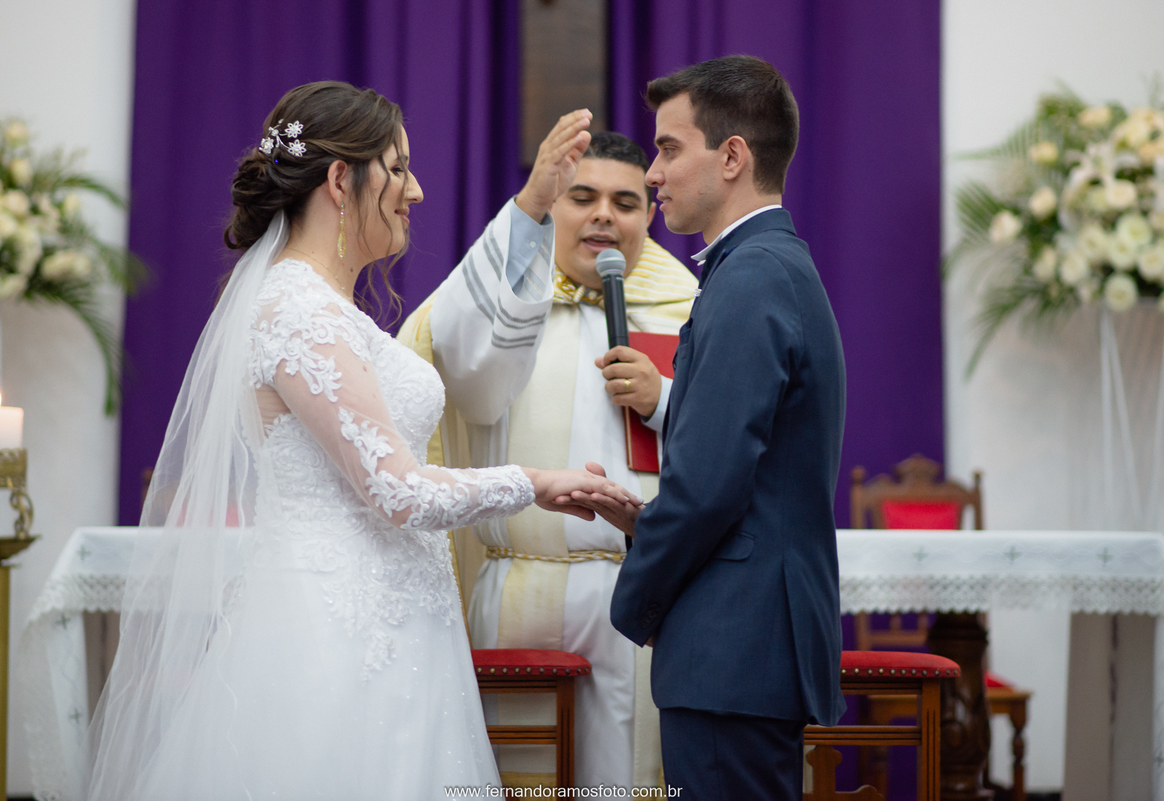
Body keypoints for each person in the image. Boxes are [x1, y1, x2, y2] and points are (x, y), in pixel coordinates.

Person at [82, 81, 638, 800]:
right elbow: (399, 489)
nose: (418, 191)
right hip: (333, 634)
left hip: (396, 623)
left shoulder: (325, 308)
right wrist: (535, 481)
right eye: (398, 168)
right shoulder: (296, 309)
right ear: (342, 178)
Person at [577, 56, 848, 799]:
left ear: (732, 157)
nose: (654, 174)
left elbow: (707, 486)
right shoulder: (762, 268)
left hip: (736, 647)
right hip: (747, 643)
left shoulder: (751, 277)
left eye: (669, 148)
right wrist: (644, 517)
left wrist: (633, 599)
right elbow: (739, 470)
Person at [397, 124, 696, 787]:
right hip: (519, 588)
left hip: (633, 591)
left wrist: (664, 399)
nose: (603, 216)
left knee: (621, 777)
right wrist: (524, 215)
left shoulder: (687, 313)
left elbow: (727, 446)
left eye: (625, 203)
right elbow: (463, 377)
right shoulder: (509, 304)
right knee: (516, 777)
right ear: (550, 207)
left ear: (650, 216)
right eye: (579, 196)